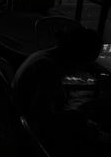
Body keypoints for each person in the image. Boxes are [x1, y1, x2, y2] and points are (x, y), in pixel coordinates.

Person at [12, 27, 103, 157]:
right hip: (32, 135)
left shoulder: (42, 56)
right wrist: (76, 116)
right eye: (84, 63)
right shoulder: (48, 69)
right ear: (75, 56)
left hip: (24, 119)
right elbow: (41, 119)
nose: (80, 69)